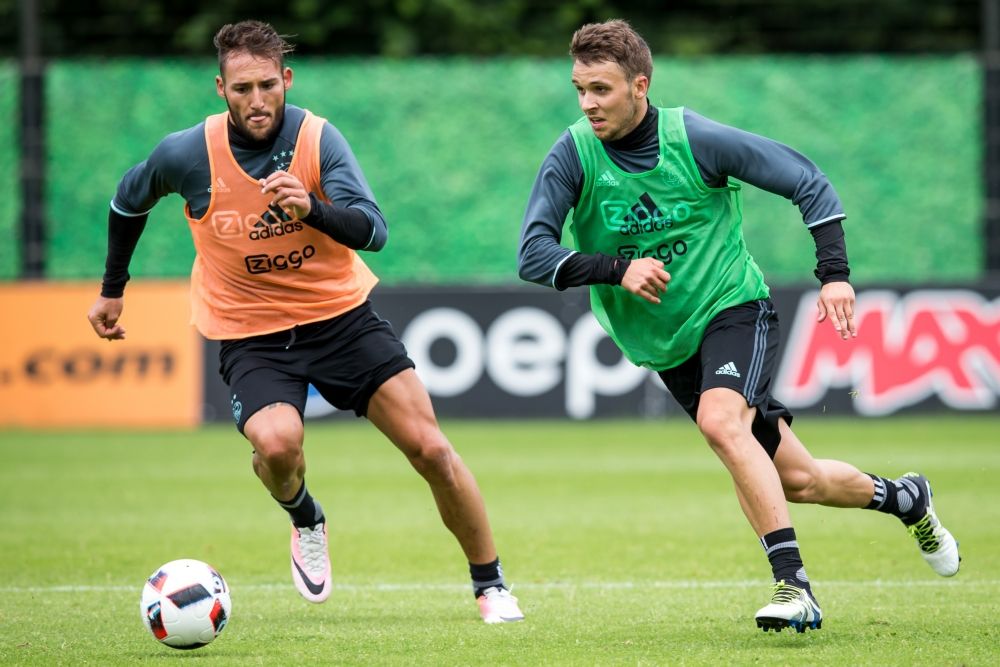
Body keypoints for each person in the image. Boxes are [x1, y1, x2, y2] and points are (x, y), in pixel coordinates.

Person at [517, 18, 959, 633]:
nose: (588, 103)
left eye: (602, 89)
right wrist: (616, 268)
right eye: (579, 89)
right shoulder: (573, 154)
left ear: (639, 85)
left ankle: (794, 587)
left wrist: (834, 273)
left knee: (721, 421)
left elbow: (807, 181)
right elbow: (533, 254)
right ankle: (906, 498)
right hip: (668, 345)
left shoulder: (694, 139)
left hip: (734, 308)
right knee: (800, 480)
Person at [86, 20, 523, 625]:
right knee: (276, 443)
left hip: (342, 320)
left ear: (286, 79)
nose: (257, 100)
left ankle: (491, 584)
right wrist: (113, 292)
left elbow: (374, 230)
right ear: (221, 89)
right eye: (242, 89)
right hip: (251, 332)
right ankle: (305, 517)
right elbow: (126, 200)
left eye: (267, 85)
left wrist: (311, 207)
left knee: (431, 449)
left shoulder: (319, 141)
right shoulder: (186, 154)